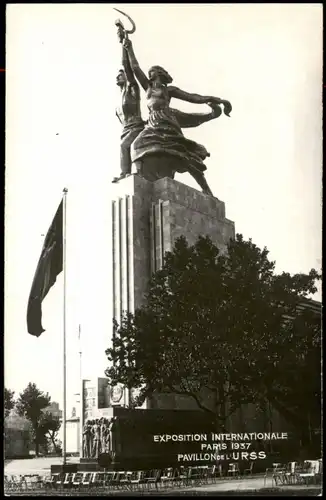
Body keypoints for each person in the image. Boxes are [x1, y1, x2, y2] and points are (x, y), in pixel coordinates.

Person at [122, 38, 232, 196]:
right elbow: (135, 67)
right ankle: (138, 175)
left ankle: (205, 188)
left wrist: (214, 99)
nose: (149, 73)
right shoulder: (148, 88)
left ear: (158, 74)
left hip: (167, 123)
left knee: (182, 156)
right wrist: (128, 47)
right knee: (136, 145)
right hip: (153, 124)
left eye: (152, 71)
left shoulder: (169, 91)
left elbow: (192, 97)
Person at [113, 28, 145, 183]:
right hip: (125, 129)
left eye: (120, 74)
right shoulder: (119, 100)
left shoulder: (132, 88)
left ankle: (131, 172)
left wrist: (123, 45)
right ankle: (124, 173)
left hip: (136, 127)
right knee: (122, 146)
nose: (117, 76)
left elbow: (127, 66)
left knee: (125, 146)